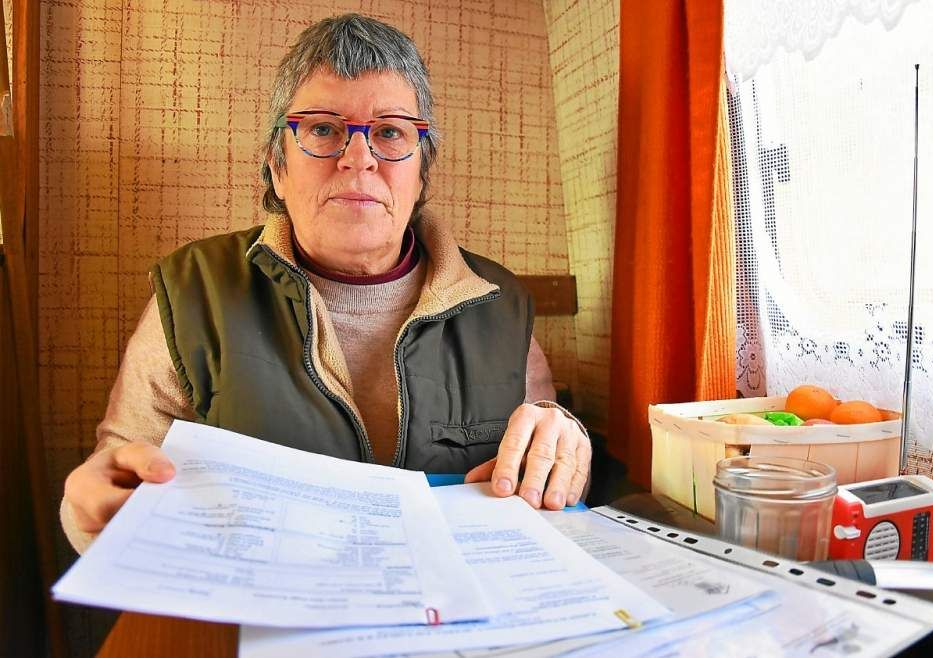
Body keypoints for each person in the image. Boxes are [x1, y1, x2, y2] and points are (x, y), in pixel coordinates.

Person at [61, 14, 591, 553]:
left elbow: (546, 485)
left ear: (421, 174)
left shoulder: (498, 302)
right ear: (278, 167)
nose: (359, 158)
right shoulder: (193, 291)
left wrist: (566, 450)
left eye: (390, 132)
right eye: (322, 129)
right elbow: (115, 480)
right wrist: (91, 513)